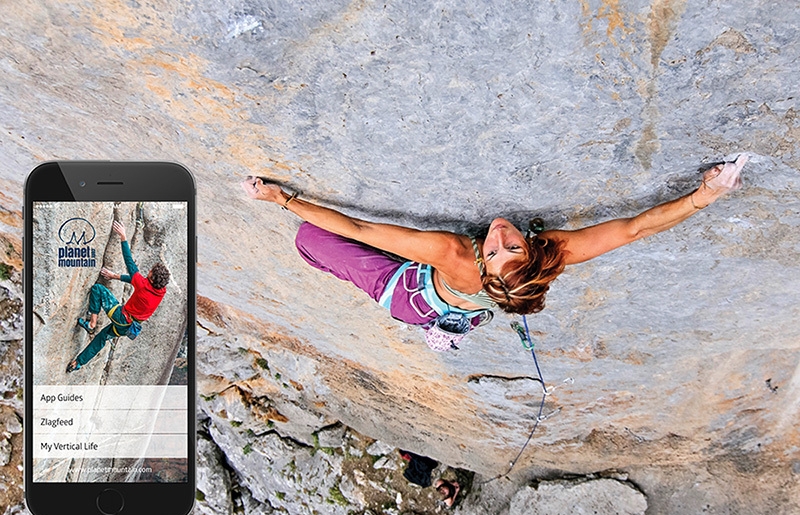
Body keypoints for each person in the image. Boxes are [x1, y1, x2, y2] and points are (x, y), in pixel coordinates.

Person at [241, 155, 748, 330]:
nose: (499, 235)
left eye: (493, 249)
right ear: (534, 252)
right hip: (471, 300)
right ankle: (453, 318)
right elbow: (636, 228)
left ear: (478, 263)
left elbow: (360, 230)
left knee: (311, 239)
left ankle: (437, 320)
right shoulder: (552, 253)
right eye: (513, 245)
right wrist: (705, 194)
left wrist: (282, 200)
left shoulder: (453, 253)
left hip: (410, 295)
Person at [67, 220, 170, 372]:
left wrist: (123, 236)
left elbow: (129, 263)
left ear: (153, 278)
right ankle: (79, 363)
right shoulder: (160, 291)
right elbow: (137, 282)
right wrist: (114, 276)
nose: (149, 271)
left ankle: (91, 323)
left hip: (121, 318)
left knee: (97, 289)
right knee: (101, 338)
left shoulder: (143, 284)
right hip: (128, 328)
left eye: (151, 272)